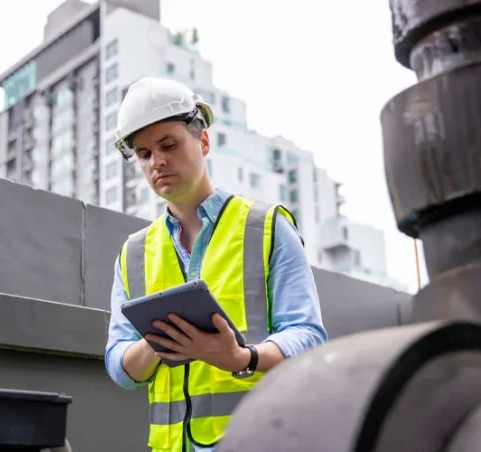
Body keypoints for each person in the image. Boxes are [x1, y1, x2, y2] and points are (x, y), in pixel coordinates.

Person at [104, 76, 328, 452]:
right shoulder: (133, 255)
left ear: (203, 141)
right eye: (143, 154)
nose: (157, 161)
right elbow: (118, 364)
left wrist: (242, 358)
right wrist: (158, 343)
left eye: (168, 145)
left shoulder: (268, 228)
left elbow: (307, 336)